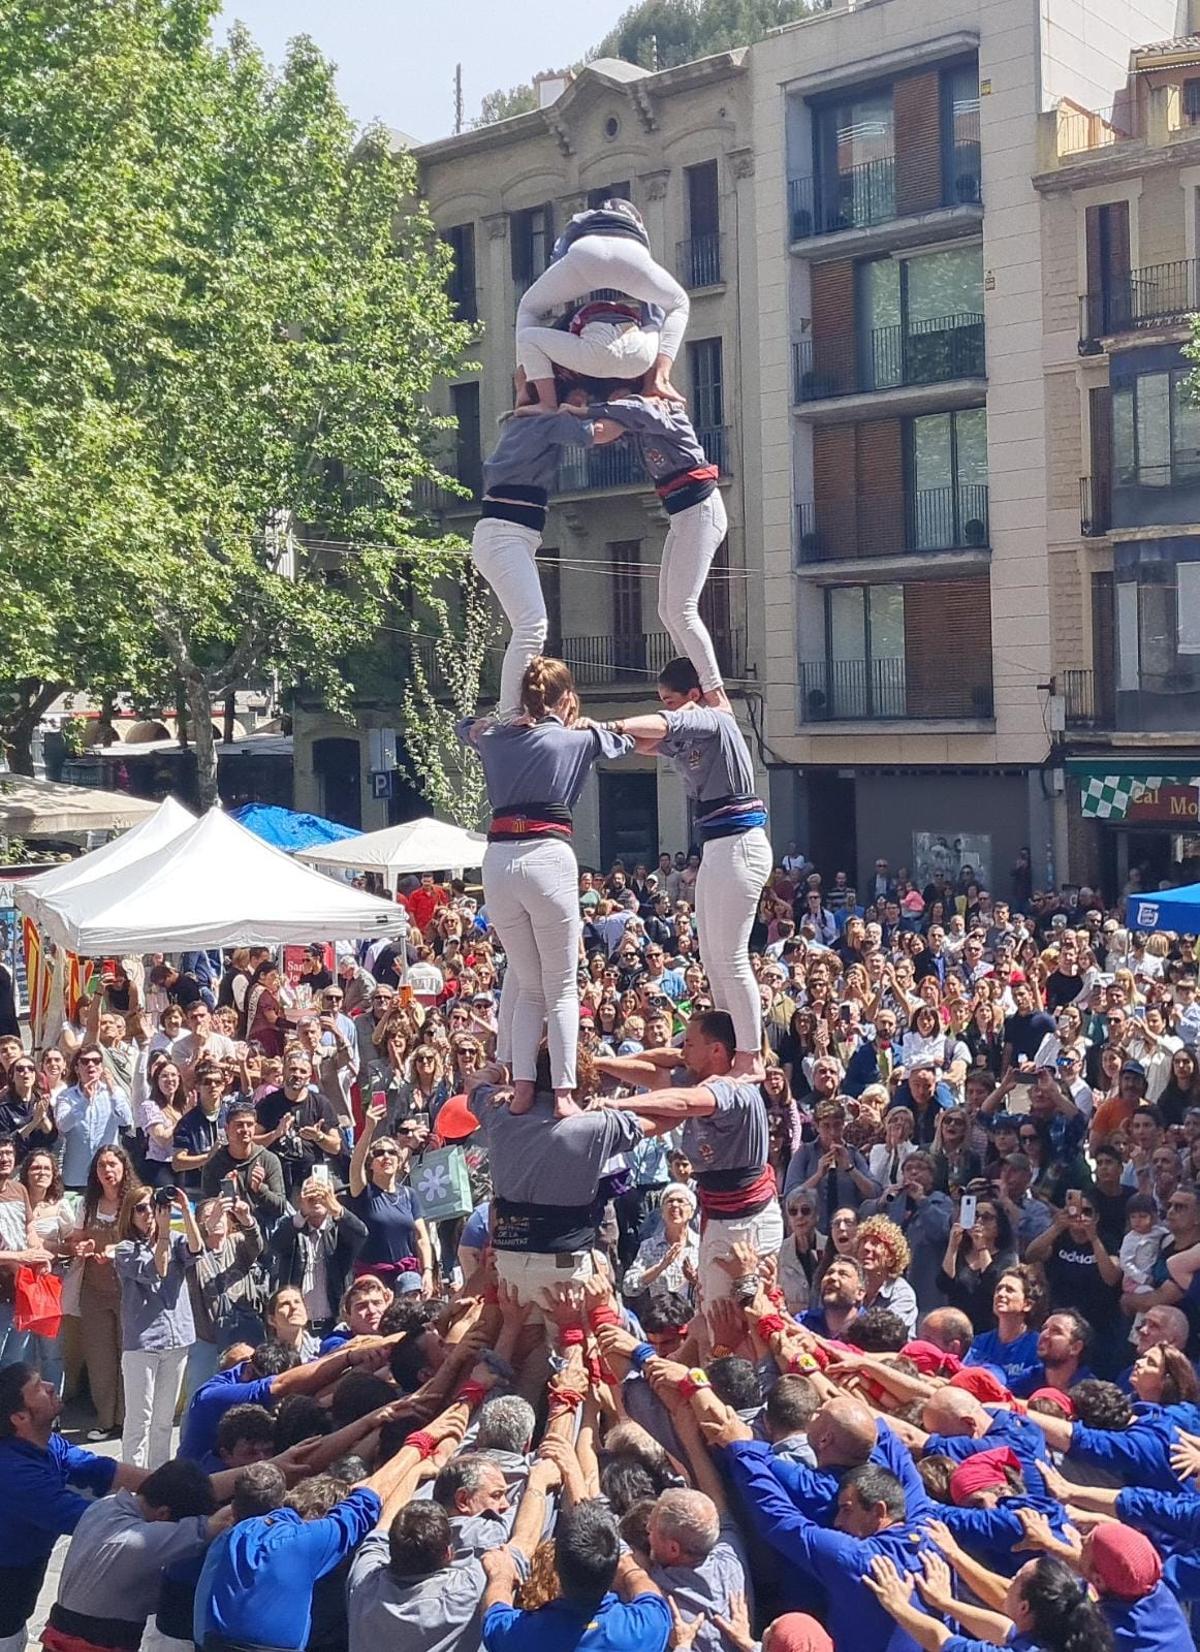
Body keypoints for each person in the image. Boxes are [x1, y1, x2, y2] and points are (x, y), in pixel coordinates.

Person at [457, 657, 634, 1113]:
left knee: (527, 985)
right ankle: (562, 1093)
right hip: (546, 853)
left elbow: (466, 727)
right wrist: (582, 723)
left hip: (497, 859)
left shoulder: (495, 738)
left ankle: (520, 1088)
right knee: (561, 989)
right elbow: (625, 739)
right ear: (567, 698)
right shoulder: (574, 737)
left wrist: (506, 719)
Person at [597, 661, 771, 1079]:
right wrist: (595, 735)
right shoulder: (687, 735)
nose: (667, 710)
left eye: (672, 701)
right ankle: (728, 1045)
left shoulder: (714, 720)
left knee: (730, 956)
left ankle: (751, 1054)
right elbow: (647, 741)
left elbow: (661, 725)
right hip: (716, 846)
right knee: (711, 958)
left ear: (693, 697)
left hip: (740, 843)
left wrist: (615, 723)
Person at [602, 1011, 783, 1302]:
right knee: (712, 1307)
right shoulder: (695, 1076)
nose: (681, 1051)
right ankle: (717, 1350)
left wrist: (618, 1104)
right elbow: (656, 1072)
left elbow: (682, 1102)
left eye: (689, 1044)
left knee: (749, 1306)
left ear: (716, 1050)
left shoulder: (732, 1088)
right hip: (718, 1211)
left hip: (749, 1218)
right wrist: (598, 1064)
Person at [0, 1361, 148, 1652]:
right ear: (19, 1417)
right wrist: (169, 1510)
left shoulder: (48, 1444)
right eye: (38, 1388)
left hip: (15, 1603)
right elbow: (94, 1521)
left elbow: (105, 1471)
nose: (50, 1386)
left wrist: (177, 1485)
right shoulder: (15, 1474)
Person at [514, 196, 688, 409]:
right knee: (678, 303)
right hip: (631, 254)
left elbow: (558, 256)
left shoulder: (582, 219)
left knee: (528, 308)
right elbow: (652, 308)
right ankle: (660, 380)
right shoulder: (638, 229)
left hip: (585, 251)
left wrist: (569, 287)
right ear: (637, 218)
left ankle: (525, 385)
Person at [45, 1458, 226, 1652]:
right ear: (164, 1514)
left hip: (62, 1635)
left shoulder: (104, 1506)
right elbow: (220, 1523)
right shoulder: (142, 1541)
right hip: (98, 1645)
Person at [480, 1498, 671, 1652]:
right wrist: (630, 1568)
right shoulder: (645, 1628)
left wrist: (501, 1576)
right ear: (612, 1570)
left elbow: (494, 1614)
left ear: (555, 1564)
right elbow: (650, 1595)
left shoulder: (520, 1636)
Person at [114, 1183, 203, 1468]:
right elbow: (157, 1269)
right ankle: (131, 1479)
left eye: (152, 1206)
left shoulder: (174, 1238)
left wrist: (185, 1210)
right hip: (142, 1343)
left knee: (164, 1420)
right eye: (140, 1208)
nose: (149, 1213)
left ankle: (158, 1476)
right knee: (139, 1419)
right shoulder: (126, 1249)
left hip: (177, 1338)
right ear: (130, 1214)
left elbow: (196, 1249)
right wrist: (163, 1233)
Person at [70, 1144, 140, 1443]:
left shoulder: (136, 1203)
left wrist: (115, 1251)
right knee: (100, 1359)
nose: (107, 1171)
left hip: (129, 1291)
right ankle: (106, 1420)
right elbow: (76, 1239)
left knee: (129, 1355)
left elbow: (148, 1241)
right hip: (94, 1292)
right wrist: (82, 1247)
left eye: (113, 1164)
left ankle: (129, 1420)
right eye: (101, 1166)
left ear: (124, 1168)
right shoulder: (87, 1205)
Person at [346, 1099, 433, 1291]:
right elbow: (356, 1163)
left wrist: (427, 1270)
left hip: (406, 1276)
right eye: (379, 1153)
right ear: (371, 1163)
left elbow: (421, 1237)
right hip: (373, 1276)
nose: (386, 1156)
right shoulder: (364, 1192)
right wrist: (369, 1128)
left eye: (392, 1152)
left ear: (399, 1159)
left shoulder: (409, 1195)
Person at [266, 1177, 368, 1341]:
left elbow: (361, 1234)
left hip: (335, 1322)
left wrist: (335, 1209)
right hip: (299, 1327)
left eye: (323, 1194)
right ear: (301, 1199)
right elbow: (276, 1245)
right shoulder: (292, 1227)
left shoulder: (339, 1230)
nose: (317, 1200)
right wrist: (302, 1213)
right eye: (311, 1195)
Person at [55, 1046, 133, 1192]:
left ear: (101, 1066)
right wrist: (84, 1101)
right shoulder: (66, 1096)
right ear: (77, 1068)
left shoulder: (115, 1093)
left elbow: (126, 1120)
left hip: (108, 1174)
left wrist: (112, 1090)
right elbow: (63, 1126)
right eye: (85, 1061)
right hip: (76, 1175)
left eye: (96, 1061)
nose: (91, 1065)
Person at [200, 1102, 288, 1223]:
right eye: (239, 1125)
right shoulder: (214, 1164)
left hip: (261, 1228)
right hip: (228, 1230)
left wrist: (260, 1189)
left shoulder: (268, 1160)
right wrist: (227, 1191)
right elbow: (206, 1209)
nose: (245, 1130)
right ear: (226, 1129)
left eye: (250, 1124)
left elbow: (280, 1207)